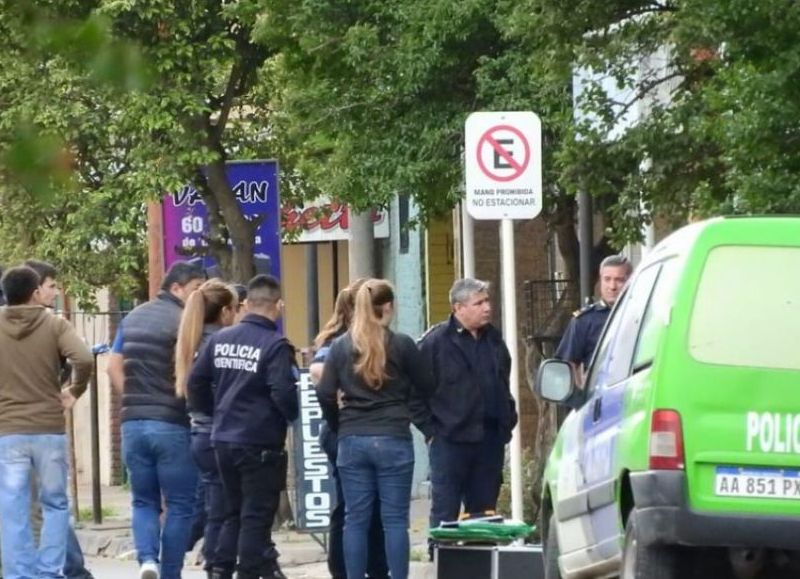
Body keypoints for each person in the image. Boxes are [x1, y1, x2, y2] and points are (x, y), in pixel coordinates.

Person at [317, 279, 435, 579]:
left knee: (355, 520)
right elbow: (426, 385)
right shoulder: (402, 344)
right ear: (388, 307)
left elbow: (324, 391)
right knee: (394, 520)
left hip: (353, 439)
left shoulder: (341, 347)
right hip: (393, 437)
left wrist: (338, 423)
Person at [188, 274, 298, 579]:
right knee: (256, 516)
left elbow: (195, 382)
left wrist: (216, 411)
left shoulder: (221, 339)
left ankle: (220, 570)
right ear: (278, 306)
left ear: (247, 304)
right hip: (259, 442)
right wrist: (287, 416)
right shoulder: (275, 345)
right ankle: (247, 572)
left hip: (222, 437)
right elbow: (284, 393)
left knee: (232, 512)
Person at [107, 261, 205, 579]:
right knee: (179, 503)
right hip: (172, 423)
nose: (198, 297)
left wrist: (132, 397)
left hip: (132, 422)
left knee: (143, 500)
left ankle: (147, 560)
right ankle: (170, 573)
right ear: (176, 288)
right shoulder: (186, 321)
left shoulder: (132, 317)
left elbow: (112, 366)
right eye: (195, 290)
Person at [0, 266, 93, 578]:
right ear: (35, 292)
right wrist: (74, 391)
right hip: (48, 428)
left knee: (13, 508)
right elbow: (84, 358)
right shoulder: (54, 324)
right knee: (54, 504)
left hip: (8, 430)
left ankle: (18, 573)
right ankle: (49, 571)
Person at [415, 278, 518, 554]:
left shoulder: (493, 339)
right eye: (479, 303)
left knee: (483, 514)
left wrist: (507, 419)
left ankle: (479, 565)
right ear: (458, 308)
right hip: (450, 440)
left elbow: (503, 381)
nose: (487, 308)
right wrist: (431, 430)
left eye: (487, 301)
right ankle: (442, 562)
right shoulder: (435, 342)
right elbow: (412, 393)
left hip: (488, 441)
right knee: (446, 511)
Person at [309, 281, 389, 579]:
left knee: (353, 505)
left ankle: (355, 566)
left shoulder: (337, 337)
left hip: (344, 430)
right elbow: (317, 370)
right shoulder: (343, 340)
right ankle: (348, 567)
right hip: (345, 430)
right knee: (354, 506)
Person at [174, 280, 239, 575]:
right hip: (224, 433)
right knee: (229, 510)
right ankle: (218, 563)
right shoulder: (225, 344)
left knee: (214, 506)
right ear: (225, 311)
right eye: (236, 309)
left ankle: (211, 561)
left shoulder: (192, 340)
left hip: (199, 432)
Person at [555, 254, 632, 381]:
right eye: (607, 279)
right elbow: (568, 365)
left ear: (630, 281)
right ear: (600, 280)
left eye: (619, 280)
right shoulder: (584, 321)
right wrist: (580, 396)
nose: (612, 286)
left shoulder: (642, 314)